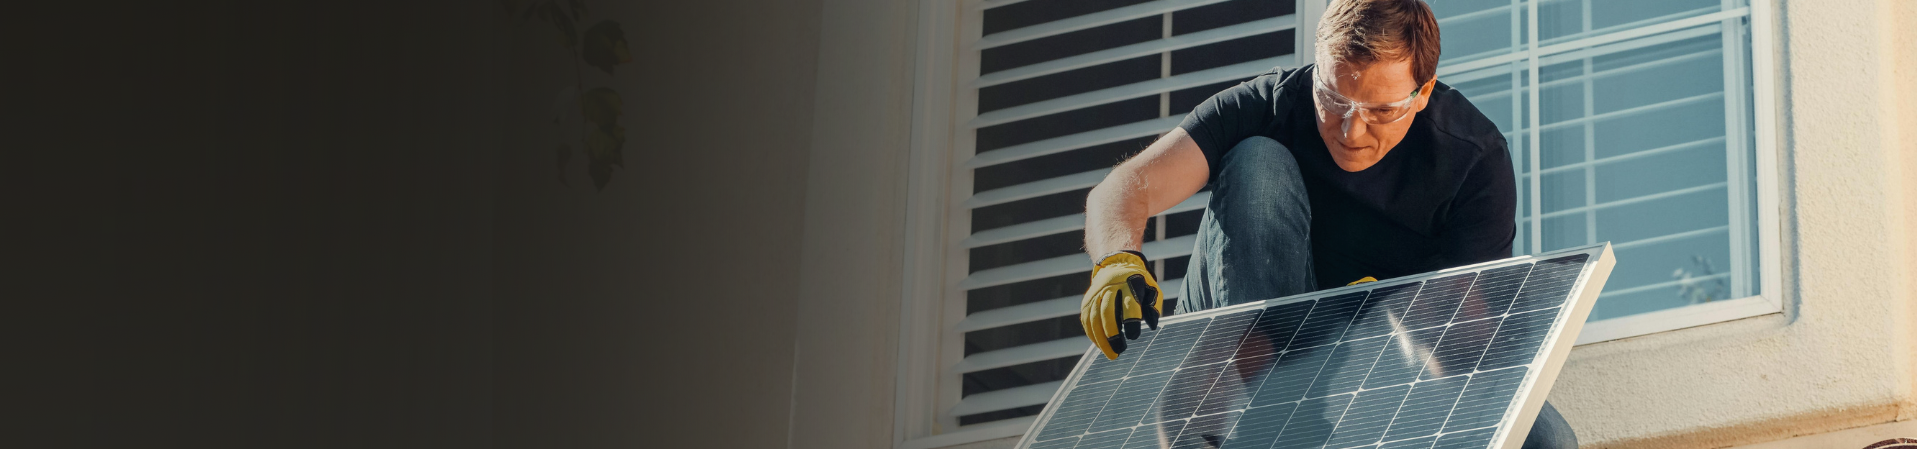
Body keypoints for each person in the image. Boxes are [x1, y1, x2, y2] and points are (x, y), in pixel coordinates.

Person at [1073, 0, 1578, 447]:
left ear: (1422, 94)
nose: (1351, 130)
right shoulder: (1270, 104)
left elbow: (1453, 361)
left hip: (1366, 365)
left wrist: (1382, 318)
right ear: (1317, 72)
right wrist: (1117, 260)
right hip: (1241, 342)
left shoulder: (1471, 163)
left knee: (1543, 436)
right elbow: (1123, 188)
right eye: (1334, 100)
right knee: (1257, 161)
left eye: (1381, 111)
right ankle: (1265, 418)